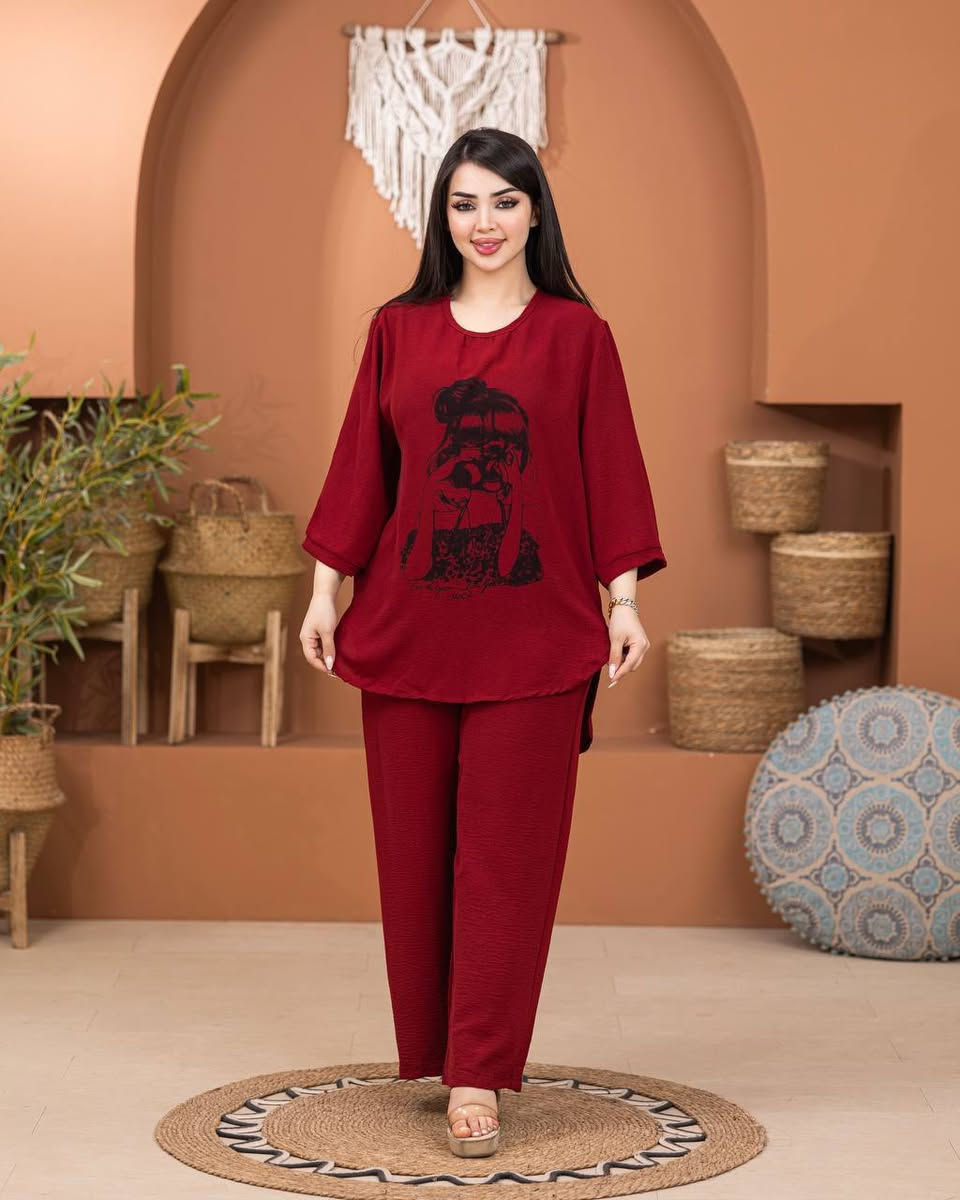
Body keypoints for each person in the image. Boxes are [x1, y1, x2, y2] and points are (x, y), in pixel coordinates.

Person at [299, 127, 666, 1157]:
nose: (486, 223)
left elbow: (611, 470)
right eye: (465, 203)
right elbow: (361, 469)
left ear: (536, 211)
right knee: (415, 860)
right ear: (442, 217)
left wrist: (623, 602)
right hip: (406, 634)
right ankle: (437, 1048)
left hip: (536, 642)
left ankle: (479, 1074)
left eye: (505, 202)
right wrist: (324, 591)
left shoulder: (578, 337)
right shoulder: (398, 331)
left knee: (507, 866)